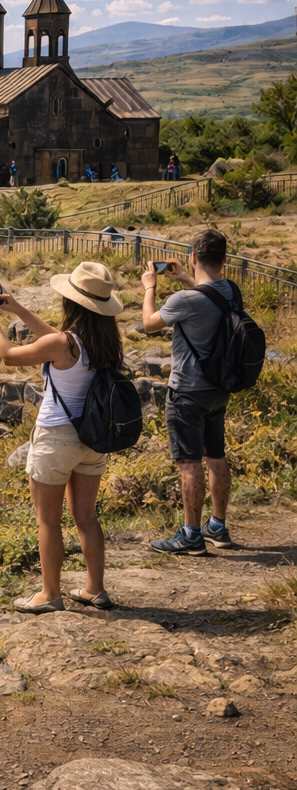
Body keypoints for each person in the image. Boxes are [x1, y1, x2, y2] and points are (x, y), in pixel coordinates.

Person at [0, 262, 124, 612]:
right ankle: (95, 589)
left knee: (48, 520)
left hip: (56, 438)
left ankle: (50, 594)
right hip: (93, 438)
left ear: (71, 303)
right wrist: (17, 308)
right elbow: (55, 340)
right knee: (86, 516)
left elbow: (8, 355)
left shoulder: (64, 343)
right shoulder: (105, 341)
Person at [141, 229, 236, 555]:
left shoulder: (184, 300)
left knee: (189, 463)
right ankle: (218, 526)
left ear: (193, 257)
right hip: (219, 388)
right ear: (224, 260)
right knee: (216, 457)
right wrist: (184, 277)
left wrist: (150, 288)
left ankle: (191, 535)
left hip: (187, 392)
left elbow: (149, 322)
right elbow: (211, 301)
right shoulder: (231, 292)